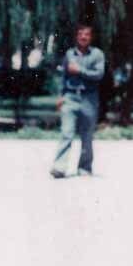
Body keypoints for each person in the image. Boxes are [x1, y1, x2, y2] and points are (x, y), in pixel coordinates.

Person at [50, 23, 105, 178]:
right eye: (80, 34)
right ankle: (59, 167)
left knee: (87, 135)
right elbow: (64, 77)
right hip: (70, 97)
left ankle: (85, 168)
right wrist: (60, 96)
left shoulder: (97, 54)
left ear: (91, 37)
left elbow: (99, 74)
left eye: (86, 34)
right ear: (76, 36)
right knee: (66, 132)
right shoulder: (69, 54)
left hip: (89, 98)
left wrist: (80, 70)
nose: (83, 37)